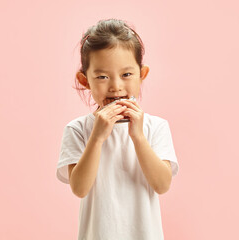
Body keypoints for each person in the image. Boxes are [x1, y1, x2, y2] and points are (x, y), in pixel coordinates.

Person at [56, 19, 179, 240]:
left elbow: (162, 185)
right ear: (85, 80)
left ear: (142, 74)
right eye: (102, 77)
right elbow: (80, 189)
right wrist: (97, 137)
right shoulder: (78, 130)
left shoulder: (155, 127)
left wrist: (138, 136)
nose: (116, 86)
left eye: (126, 74)